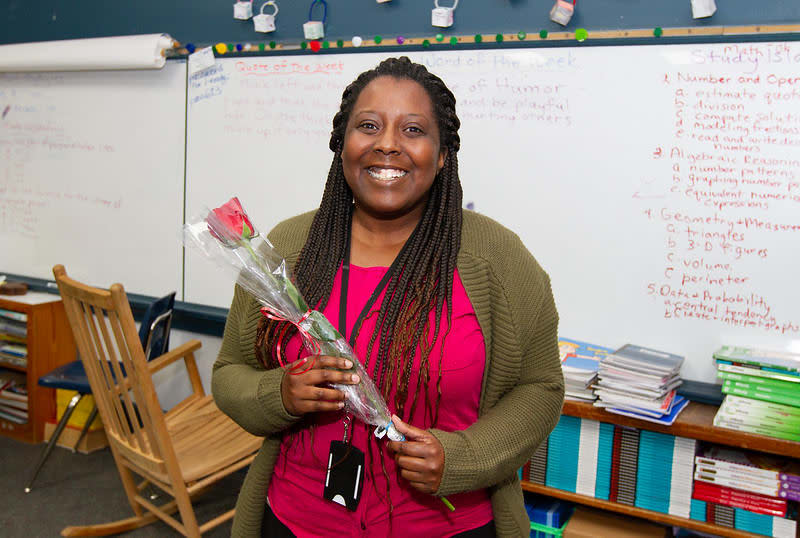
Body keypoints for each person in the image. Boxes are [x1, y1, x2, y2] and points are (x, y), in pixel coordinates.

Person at [212, 56, 564, 538]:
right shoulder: (289, 249)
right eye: (369, 126)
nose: (388, 144)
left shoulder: (497, 260)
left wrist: (464, 458)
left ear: (443, 155)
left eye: (413, 130)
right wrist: (281, 393)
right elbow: (230, 372)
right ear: (343, 145)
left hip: (448, 525)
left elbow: (540, 387)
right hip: (296, 521)